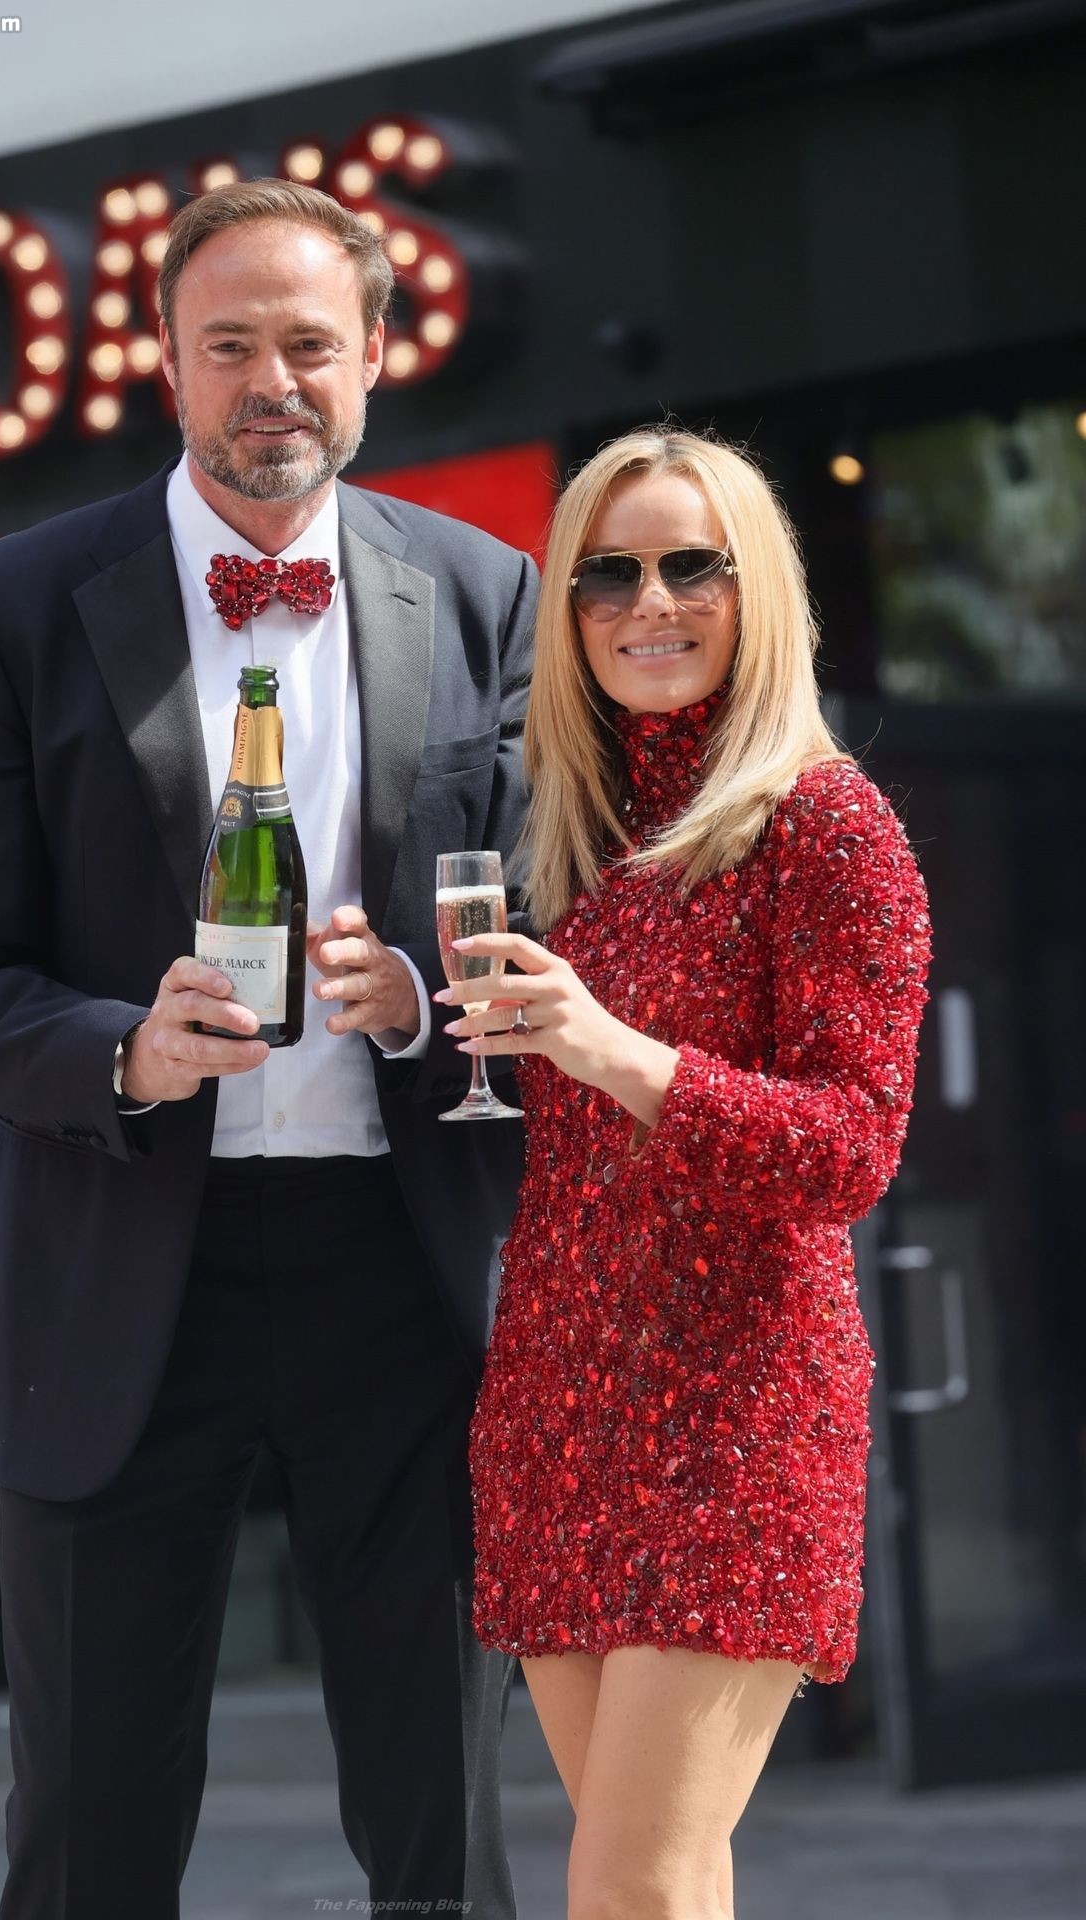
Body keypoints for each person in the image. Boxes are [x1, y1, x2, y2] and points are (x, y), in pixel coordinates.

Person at [0, 181, 537, 1920]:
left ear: (376, 355)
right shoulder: (9, 604)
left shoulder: (487, 589)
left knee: (445, 1827)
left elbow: (545, 929)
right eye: (229, 343)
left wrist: (425, 997)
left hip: (403, 1271)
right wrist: (127, 1052)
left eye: (308, 342)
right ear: (165, 364)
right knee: (89, 1835)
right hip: (118, 1266)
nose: (272, 382)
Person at [436, 428, 932, 1920]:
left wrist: (615, 1051)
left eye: (689, 566)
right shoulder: (577, 838)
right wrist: (420, 1008)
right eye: (607, 575)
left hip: (736, 1415)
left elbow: (852, 1147)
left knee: (631, 1890)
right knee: (661, 1885)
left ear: (754, 589)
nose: (647, 604)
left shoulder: (827, 826)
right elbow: (558, 1124)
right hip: (558, 1406)